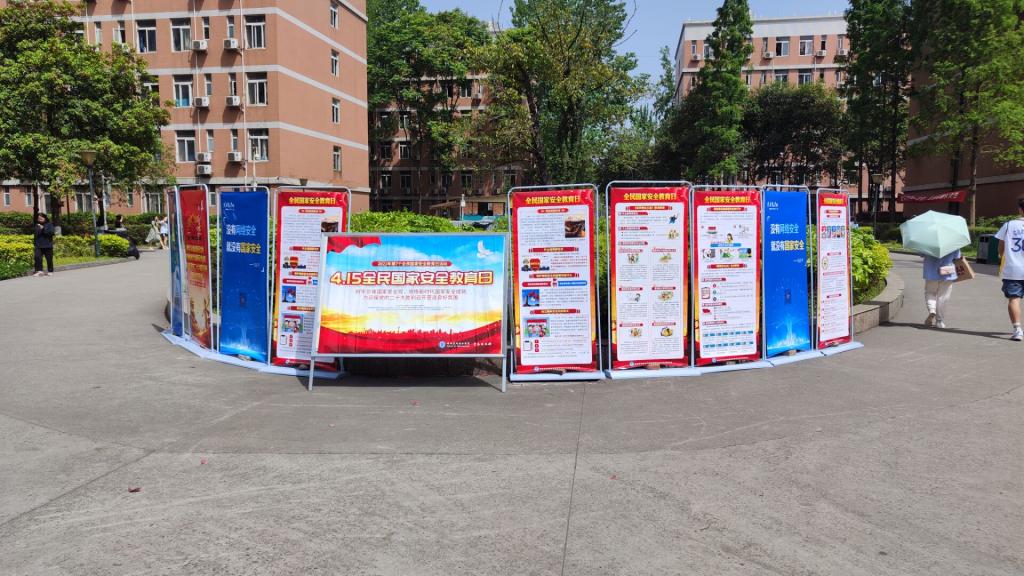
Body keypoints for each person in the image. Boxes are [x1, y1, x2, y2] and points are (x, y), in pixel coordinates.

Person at [995, 196, 1024, 341]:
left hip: (1013, 269)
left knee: (1014, 299)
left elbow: (1001, 246)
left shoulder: (1008, 225)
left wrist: (1003, 257)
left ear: (1020, 209)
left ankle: (1017, 329)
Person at [921, 249, 960, 329]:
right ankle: (939, 321)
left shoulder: (928, 243)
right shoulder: (953, 243)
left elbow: (922, 253)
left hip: (931, 272)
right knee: (943, 296)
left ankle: (932, 310)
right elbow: (957, 256)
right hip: (947, 272)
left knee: (930, 292)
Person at [32, 213, 55, 277]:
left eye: (41, 218)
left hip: (47, 245)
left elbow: (51, 233)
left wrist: (43, 228)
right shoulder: (36, 225)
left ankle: (50, 271)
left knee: (49, 259)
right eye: (39, 218)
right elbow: (35, 235)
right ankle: (40, 271)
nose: (40, 219)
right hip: (38, 245)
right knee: (37, 258)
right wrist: (35, 243)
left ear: (45, 218)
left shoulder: (49, 224)